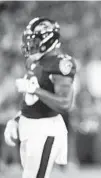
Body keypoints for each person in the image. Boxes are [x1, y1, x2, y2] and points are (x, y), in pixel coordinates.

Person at [3, 17, 77, 178]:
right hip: (29, 126)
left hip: (45, 129)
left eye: (35, 40)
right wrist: (17, 119)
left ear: (49, 39)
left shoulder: (61, 64)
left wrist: (35, 90)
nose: (30, 45)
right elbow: (31, 101)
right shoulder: (32, 62)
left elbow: (65, 104)